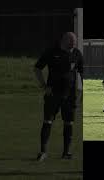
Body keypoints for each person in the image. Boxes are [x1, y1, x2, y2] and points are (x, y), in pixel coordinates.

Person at [33, 32, 83, 161]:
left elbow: (82, 73)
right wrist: (44, 85)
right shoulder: (51, 52)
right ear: (63, 41)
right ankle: (43, 152)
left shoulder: (77, 54)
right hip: (53, 94)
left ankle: (66, 153)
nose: (73, 46)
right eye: (71, 44)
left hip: (70, 95)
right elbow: (37, 68)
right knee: (48, 121)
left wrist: (83, 92)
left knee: (69, 123)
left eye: (74, 44)